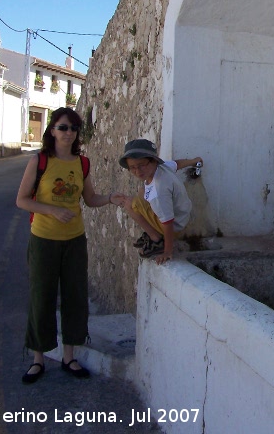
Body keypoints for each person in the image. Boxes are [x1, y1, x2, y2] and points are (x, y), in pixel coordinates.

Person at [15, 107, 118, 384]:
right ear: (52, 131)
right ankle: (38, 359)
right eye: (63, 127)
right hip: (43, 240)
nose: (68, 133)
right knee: (42, 297)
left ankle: (69, 356)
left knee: (75, 296)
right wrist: (51, 210)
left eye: (73, 128)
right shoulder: (39, 161)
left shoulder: (82, 163)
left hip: (74, 240)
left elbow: (91, 198)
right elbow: (22, 200)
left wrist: (111, 198)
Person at [112, 138, 202, 265]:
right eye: (132, 168)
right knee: (142, 192)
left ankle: (156, 239)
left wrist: (167, 251)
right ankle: (154, 233)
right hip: (181, 217)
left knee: (131, 204)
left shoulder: (158, 191)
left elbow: (168, 221)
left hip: (175, 226)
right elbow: (177, 164)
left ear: (153, 161)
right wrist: (194, 161)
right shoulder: (161, 168)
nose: (138, 171)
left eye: (142, 165)